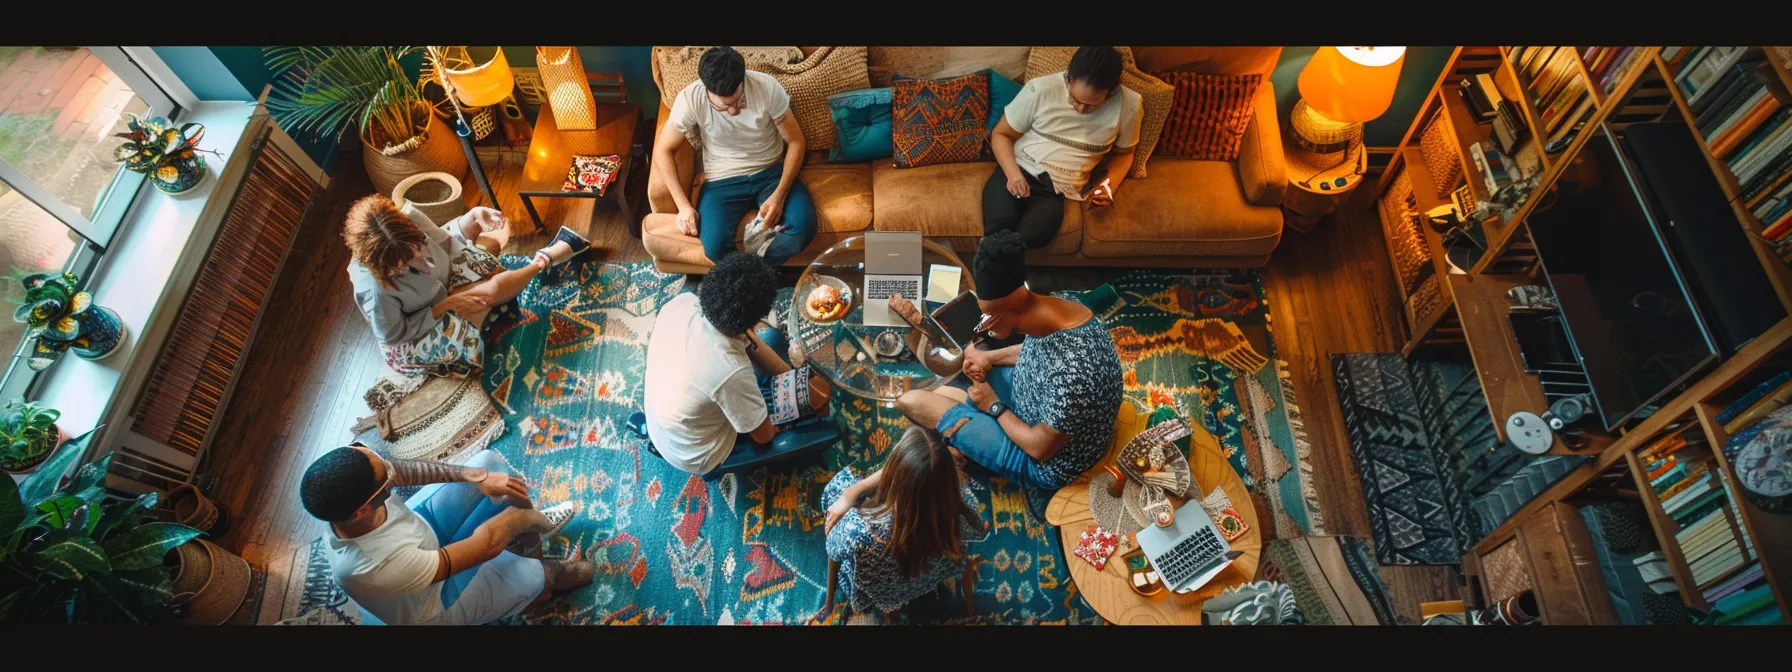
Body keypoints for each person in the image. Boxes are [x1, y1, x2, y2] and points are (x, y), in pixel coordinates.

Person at [891, 230, 1124, 490]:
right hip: (1033, 399)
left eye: (987, 317)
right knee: (961, 370)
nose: (982, 327)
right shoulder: (1059, 304)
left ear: (1011, 308)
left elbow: (1040, 449)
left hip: (1043, 461)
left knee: (910, 401)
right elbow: (1038, 353)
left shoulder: (1075, 375)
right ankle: (968, 429)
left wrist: (994, 405)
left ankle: (968, 445)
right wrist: (988, 356)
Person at [299, 445, 593, 625]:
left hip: (422, 535)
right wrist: (525, 517)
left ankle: (527, 544)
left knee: (487, 464)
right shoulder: (370, 567)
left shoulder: (350, 496)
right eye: (386, 478)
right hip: (434, 601)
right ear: (362, 510)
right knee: (534, 573)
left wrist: (476, 477)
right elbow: (486, 544)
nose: (391, 472)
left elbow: (405, 471)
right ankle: (543, 578)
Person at [345, 195, 590, 377]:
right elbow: (394, 335)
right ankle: (544, 260)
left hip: (441, 288)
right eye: (405, 260)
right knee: (488, 293)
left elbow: (446, 241)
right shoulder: (373, 288)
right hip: (415, 333)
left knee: (489, 263)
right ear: (383, 262)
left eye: (416, 247)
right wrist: (445, 306)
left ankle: (532, 270)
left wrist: (472, 217)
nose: (417, 256)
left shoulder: (408, 220)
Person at [641, 252, 834, 476]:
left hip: (664, 413)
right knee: (812, 435)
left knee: (769, 341)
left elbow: (753, 344)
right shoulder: (729, 370)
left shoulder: (682, 303)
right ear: (754, 318)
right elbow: (764, 436)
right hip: (696, 454)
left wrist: (796, 379)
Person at [652, 46, 817, 264]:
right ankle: (753, 274)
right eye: (723, 106)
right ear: (706, 89)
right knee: (713, 247)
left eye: (738, 101)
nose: (733, 111)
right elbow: (663, 150)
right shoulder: (690, 98)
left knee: (804, 228)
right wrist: (683, 207)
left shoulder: (766, 87)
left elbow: (796, 141)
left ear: (743, 80)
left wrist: (779, 195)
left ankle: (753, 270)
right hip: (721, 181)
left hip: (770, 172)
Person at [819, 425, 989, 615]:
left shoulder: (856, 530)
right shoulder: (959, 506)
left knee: (835, 488)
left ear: (894, 471)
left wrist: (851, 492)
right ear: (949, 478)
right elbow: (980, 530)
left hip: (884, 595)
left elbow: (832, 553)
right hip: (931, 577)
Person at [985, 46, 1142, 249]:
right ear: (1068, 79)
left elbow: (1125, 154)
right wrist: (1013, 175)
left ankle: (994, 274)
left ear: (1111, 91)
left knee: (1035, 235)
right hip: (1016, 169)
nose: (1081, 109)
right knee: (1000, 224)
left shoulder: (1129, 104)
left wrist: (1108, 187)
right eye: (1075, 99)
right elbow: (1001, 134)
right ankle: (997, 275)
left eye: (1093, 104)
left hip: (1055, 190)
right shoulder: (1041, 89)